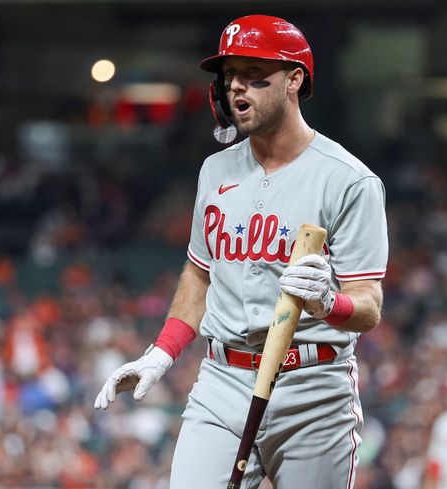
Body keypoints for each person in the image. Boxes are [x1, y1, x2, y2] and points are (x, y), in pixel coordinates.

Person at [94, 14, 388, 489]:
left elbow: (369, 305)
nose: (237, 88)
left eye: (256, 76)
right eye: (231, 75)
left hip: (313, 388)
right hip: (222, 381)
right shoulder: (215, 170)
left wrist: (328, 302)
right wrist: (161, 354)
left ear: (295, 80)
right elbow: (198, 274)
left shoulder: (349, 180)